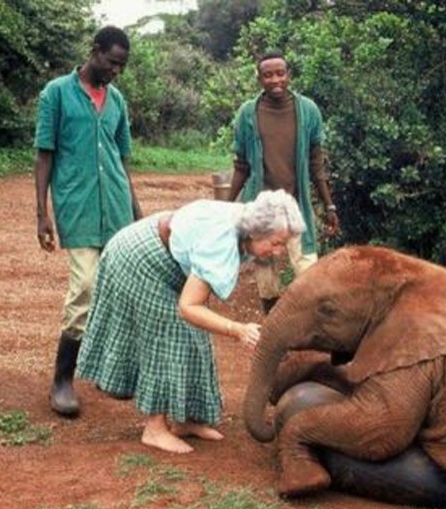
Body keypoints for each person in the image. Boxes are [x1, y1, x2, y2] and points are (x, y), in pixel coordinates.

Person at [76, 191, 306, 454]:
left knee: (195, 335)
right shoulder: (220, 242)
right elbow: (188, 308)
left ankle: (185, 420)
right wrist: (237, 329)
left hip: (168, 257)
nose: (278, 252)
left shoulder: (246, 225)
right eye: (276, 243)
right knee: (166, 336)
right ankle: (155, 428)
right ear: (256, 232)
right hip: (139, 260)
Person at [34, 25, 142, 418]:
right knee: (84, 287)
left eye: (122, 66)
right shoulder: (57, 93)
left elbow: (122, 158)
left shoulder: (117, 100)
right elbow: (44, 154)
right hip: (76, 206)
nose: (116, 71)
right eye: (112, 62)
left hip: (116, 207)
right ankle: (62, 381)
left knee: (120, 289)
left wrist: (135, 208)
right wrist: (41, 213)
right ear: (94, 51)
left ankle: (112, 374)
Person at [227, 50, 339, 315]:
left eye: (280, 73)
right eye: (268, 75)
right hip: (261, 208)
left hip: (296, 205)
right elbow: (241, 165)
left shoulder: (308, 111)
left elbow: (316, 163)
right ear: (259, 79)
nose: (275, 80)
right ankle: (273, 330)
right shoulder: (248, 114)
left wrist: (329, 206)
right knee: (266, 277)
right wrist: (226, 207)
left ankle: (311, 332)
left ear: (289, 75)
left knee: (308, 271)